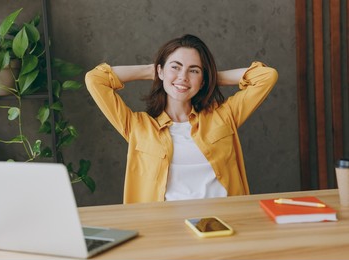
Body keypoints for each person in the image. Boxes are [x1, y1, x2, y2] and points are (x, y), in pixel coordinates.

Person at [85, 34, 278, 204]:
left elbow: (266, 76)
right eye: (175, 67)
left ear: (203, 79)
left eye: (193, 70)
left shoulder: (223, 117)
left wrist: (209, 79)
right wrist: (151, 71)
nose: (183, 77)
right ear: (159, 71)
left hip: (224, 221)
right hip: (165, 227)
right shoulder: (138, 126)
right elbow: (95, 79)